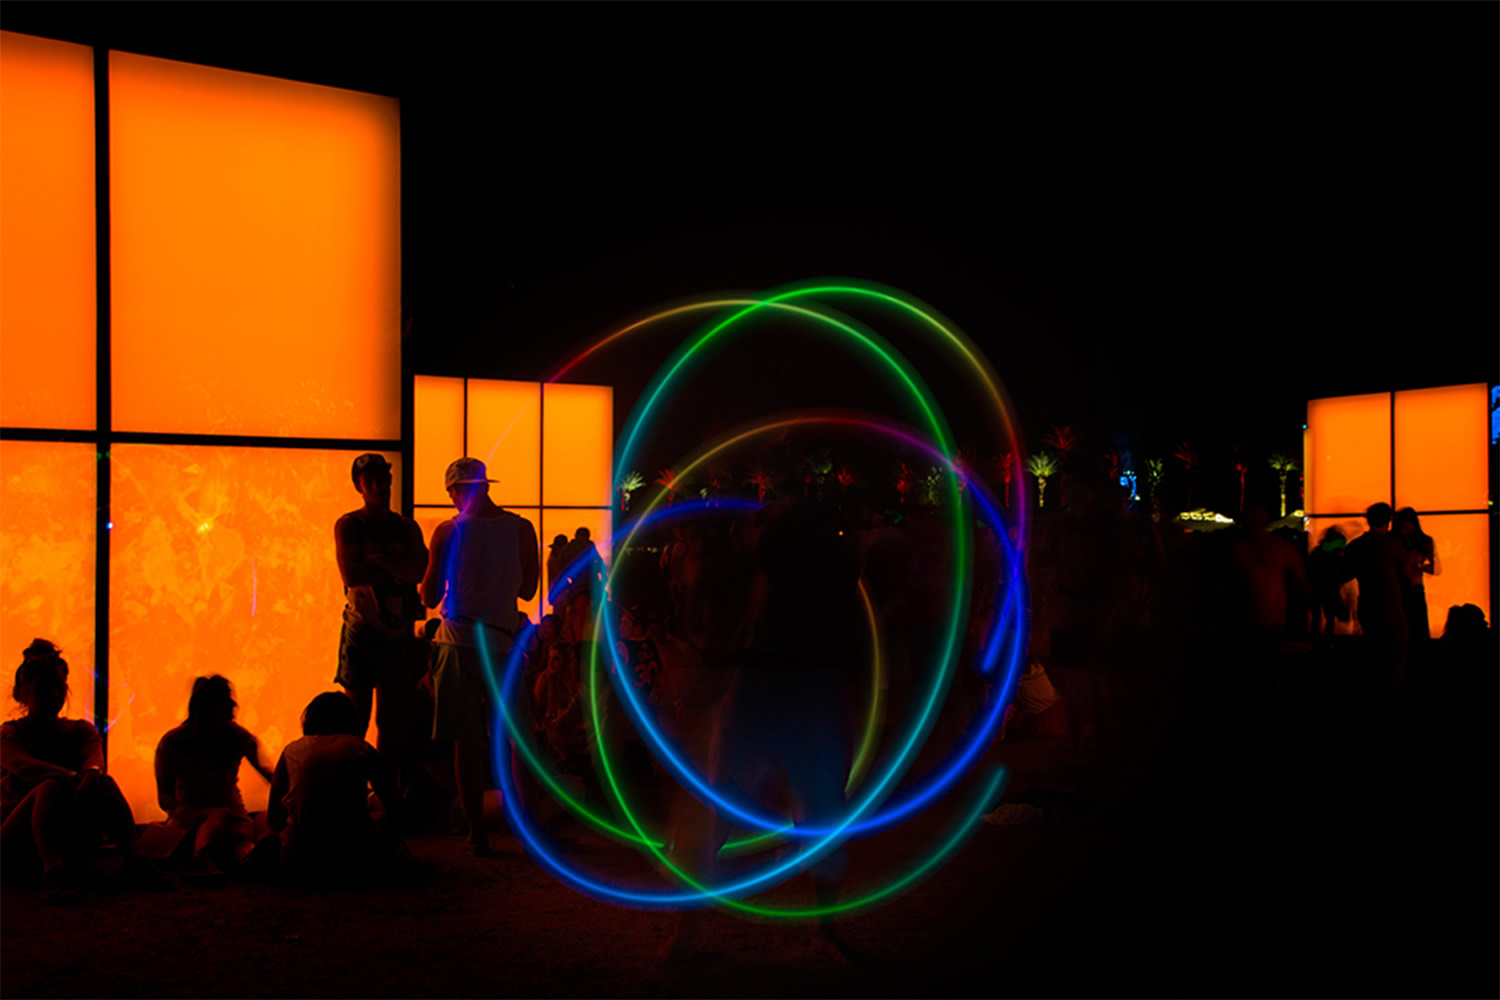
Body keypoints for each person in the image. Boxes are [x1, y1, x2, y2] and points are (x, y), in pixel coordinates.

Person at [421, 457, 539, 854]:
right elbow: (527, 590)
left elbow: (429, 596)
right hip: (503, 642)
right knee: (513, 739)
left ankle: (477, 832)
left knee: (466, 742)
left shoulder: (448, 531)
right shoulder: (522, 528)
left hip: (457, 641)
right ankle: (528, 830)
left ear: (455, 491)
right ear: (486, 486)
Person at [1, 640, 171, 903]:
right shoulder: (9, 733)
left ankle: (136, 861)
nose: (54, 694)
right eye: (43, 688)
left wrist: (90, 776)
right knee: (48, 788)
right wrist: (75, 777)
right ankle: (53, 872)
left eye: (58, 686)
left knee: (103, 782)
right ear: (20, 693)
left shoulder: (80, 730)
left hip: (68, 835)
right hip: (15, 842)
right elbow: (23, 766)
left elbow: (95, 761)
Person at [334, 453, 430, 742]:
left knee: (391, 722)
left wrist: (378, 561)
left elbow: (420, 571)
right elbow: (351, 574)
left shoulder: (405, 526)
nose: (377, 487)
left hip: (394, 631)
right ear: (358, 486)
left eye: (382, 480)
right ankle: (359, 783)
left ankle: (381, 785)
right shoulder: (350, 524)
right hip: (364, 628)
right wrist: (398, 568)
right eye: (370, 481)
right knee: (357, 719)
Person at [265, 692, 404, 883]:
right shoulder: (362, 748)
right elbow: (395, 807)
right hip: (357, 860)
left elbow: (274, 818)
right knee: (381, 822)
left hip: (297, 861)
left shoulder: (291, 750)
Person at [153, 675, 274, 879]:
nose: (234, 704)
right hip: (190, 814)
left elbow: (271, 776)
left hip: (233, 813)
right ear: (209, 706)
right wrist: (181, 814)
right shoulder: (173, 742)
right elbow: (164, 797)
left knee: (247, 835)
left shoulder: (241, 738)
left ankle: (246, 858)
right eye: (227, 699)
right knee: (223, 819)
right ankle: (201, 858)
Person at [1340, 503, 1411, 705]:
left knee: (1375, 653)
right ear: (1388, 521)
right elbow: (1407, 574)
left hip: (1369, 606)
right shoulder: (1394, 544)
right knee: (1396, 653)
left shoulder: (1357, 546)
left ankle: (1374, 696)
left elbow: (1344, 574)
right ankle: (1392, 696)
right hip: (1392, 605)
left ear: (1368, 520)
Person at [1393, 508, 1437, 644]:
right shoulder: (1393, 541)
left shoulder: (1423, 542)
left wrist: (1418, 566)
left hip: (1413, 590)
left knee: (1416, 633)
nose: (1403, 530)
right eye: (1401, 527)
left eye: (1406, 527)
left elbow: (1434, 568)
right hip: (1398, 592)